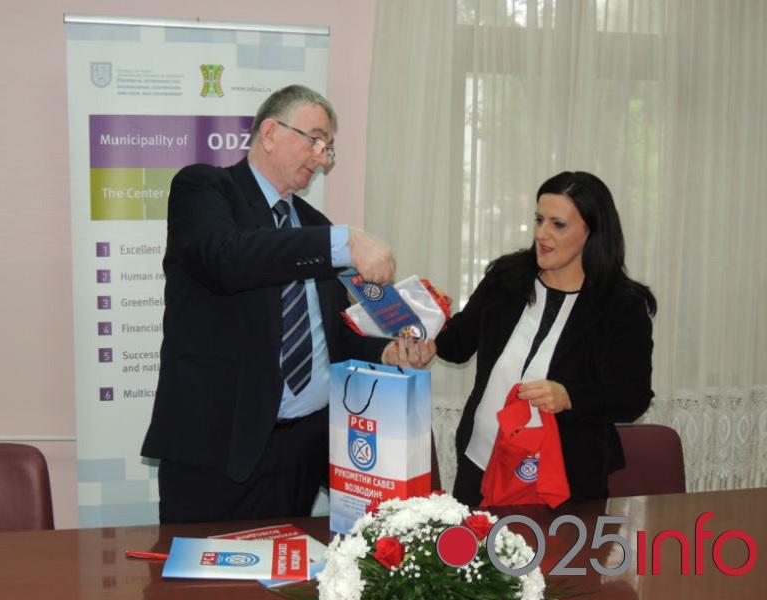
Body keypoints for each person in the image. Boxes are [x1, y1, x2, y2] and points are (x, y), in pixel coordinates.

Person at [141, 85, 434, 523]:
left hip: (304, 449)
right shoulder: (204, 188)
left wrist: (388, 353)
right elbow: (225, 258)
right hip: (220, 451)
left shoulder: (314, 226)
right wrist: (345, 242)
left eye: (328, 148)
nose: (322, 158)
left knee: (296, 564)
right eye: (315, 140)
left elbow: (328, 336)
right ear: (270, 132)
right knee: (203, 567)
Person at [435, 171, 657, 506]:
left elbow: (632, 397)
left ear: (592, 231)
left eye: (558, 224)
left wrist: (570, 396)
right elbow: (456, 345)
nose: (542, 234)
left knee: (555, 546)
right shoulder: (508, 277)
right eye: (539, 220)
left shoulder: (621, 306)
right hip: (480, 463)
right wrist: (428, 325)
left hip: (563, 480)